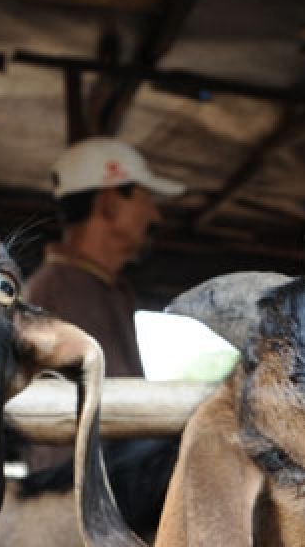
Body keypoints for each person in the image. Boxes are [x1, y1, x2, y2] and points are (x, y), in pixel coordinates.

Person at [23, 137, 186, 473]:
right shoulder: (52, 291)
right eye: (146, 199)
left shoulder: (104, 286)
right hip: (75, 500)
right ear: (110, 203)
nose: (154, 214)